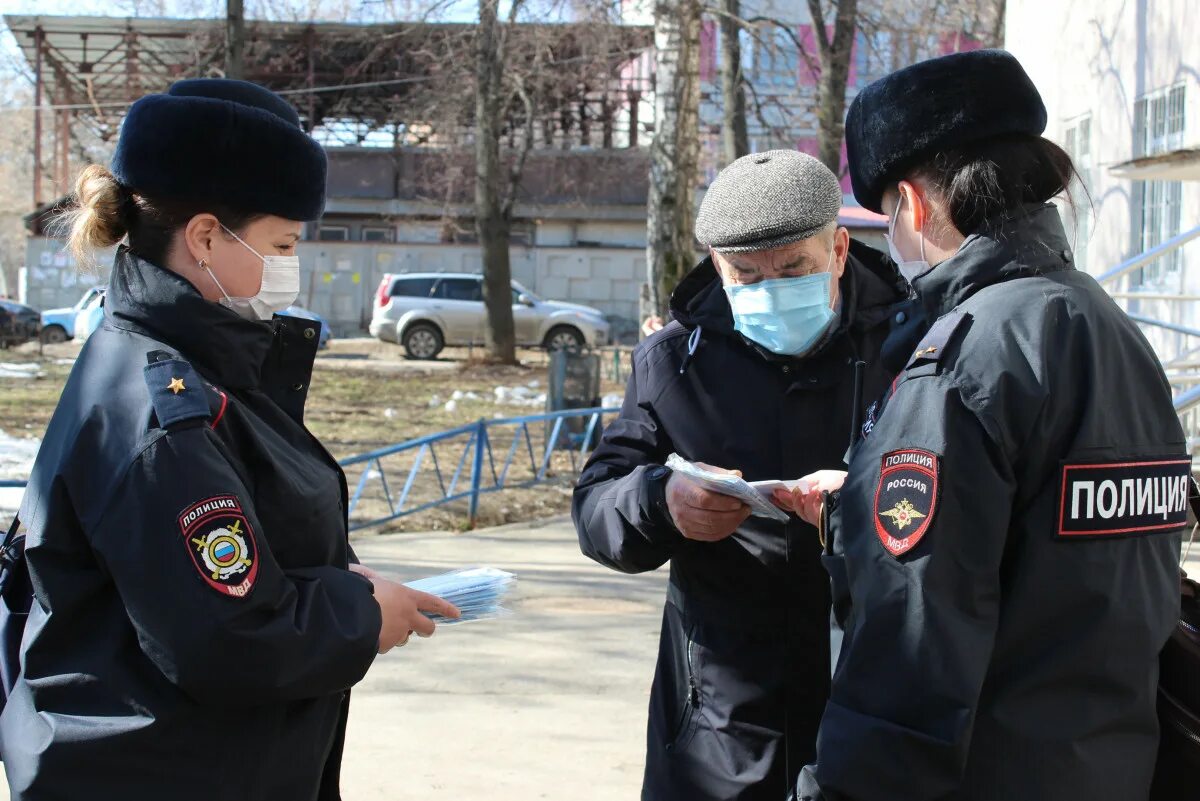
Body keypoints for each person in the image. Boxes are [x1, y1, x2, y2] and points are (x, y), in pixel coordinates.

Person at [0, 79, 459, 800]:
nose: (291, 265)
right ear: (207, 237)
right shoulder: (163, 410)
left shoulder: (195, 367)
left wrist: (343, 578)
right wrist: (361, 615)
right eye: (282, 243)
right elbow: (227, 638)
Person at [777, 50, 1188, 801]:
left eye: (887, 218)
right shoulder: (1110, 329)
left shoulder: (963, 360)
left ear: (915, 203)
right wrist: (860, 509)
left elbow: (909, 652)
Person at [573, 150, 907, 800]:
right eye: (745, 275)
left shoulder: (910, 345)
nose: (770, 290)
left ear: (839, 249)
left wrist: (861, 506)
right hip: (717, 717)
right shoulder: (674, 360)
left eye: (793, 269)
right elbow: (596, 506)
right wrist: (660, 502)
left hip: (873, 698)